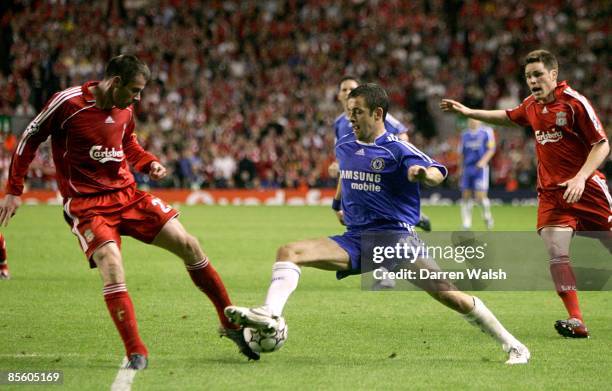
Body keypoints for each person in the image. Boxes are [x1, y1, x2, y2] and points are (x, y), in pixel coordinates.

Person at [226, 83, 530, 364]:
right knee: (289, 251)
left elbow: (437, 170)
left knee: (450, 295)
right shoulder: (345, 145)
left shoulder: (397, 149)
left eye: (357, 112)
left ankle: (513, 345)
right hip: (356, 239)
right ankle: (271, 315)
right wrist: (339, 204)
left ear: (378, 113)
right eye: (348, 111)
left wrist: (424, 175)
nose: (351, 118)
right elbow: (346, 176)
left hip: (395, 241)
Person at [0, 54, 259, 368]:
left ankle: (229, 323)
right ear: (116, 82)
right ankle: (136, 351)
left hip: (128, 196)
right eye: (135, 90)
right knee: (111, 263)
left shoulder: (126, 109)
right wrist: (14, 189)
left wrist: (148, 163)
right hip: (88, 205)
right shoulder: (67, 103)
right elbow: (29, 138)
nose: (138, 97)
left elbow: (128, 145)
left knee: (189, 244)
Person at [440, 49, 611, 338]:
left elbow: (602, 144)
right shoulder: (531, 106)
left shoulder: (573, 103)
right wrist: (470, 112)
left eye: (538, 74)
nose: (532, 80)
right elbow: (508, 116)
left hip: (587, 189)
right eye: (528, 76)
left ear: (553, 75)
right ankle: (577, 320)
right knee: (557, 253)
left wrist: (581, 177)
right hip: (552, 195)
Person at [330, 76, 432, 233]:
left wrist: (393, 155)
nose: (348, 92)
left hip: (381, 161)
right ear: (339, 95)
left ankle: (411, 216)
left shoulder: (375, 113)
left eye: (352, 89)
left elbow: (403, 134)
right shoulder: (339, 123)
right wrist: (338, 164)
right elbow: (342, 151)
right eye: (344, 89)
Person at [458, 118, 496, 230]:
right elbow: (461, 153)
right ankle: (466, 223)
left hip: (480, 169)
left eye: (475, 119)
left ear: (479, 120)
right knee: (465, 196)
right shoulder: (464, 135)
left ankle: (487, 216)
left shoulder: (486, 132)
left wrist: (483, 161)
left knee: (480, 197)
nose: (473, 121)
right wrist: (460, 169)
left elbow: (491, 149)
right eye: (470, 120)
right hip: (468, 168)